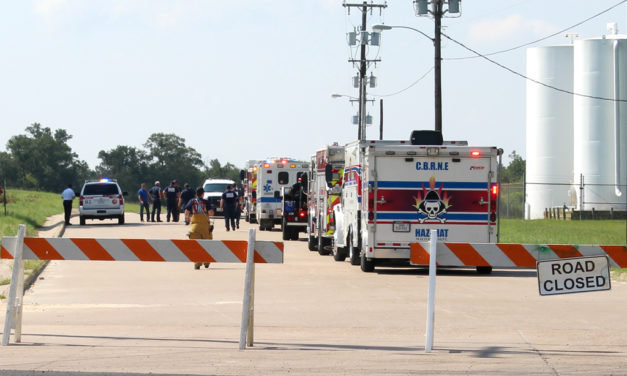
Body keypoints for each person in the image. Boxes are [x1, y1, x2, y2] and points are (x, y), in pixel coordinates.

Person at [185, 187, 214, 270]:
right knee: (207, 244)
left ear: (196, 194)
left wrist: (188, 218)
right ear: (203, 194)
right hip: (205, 226)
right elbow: (211, 213)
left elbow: (187, 212)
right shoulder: (205, 202)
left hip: (194, 226)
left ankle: (197, 263)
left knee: (195, 245)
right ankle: (206, 262)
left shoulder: (192, 201)